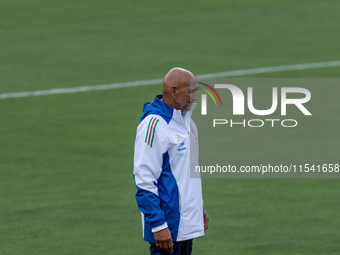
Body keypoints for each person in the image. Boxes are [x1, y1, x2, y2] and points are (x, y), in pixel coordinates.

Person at [133, 68, 209, 254]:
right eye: (190, 92)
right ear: (173, 91)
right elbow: (144, 181)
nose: (195, 98)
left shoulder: (188, 123)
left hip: (185, 225)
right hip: (168, 227)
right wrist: (158, 225)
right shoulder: (154, 125)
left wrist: (199, 205)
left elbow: (186, 172)